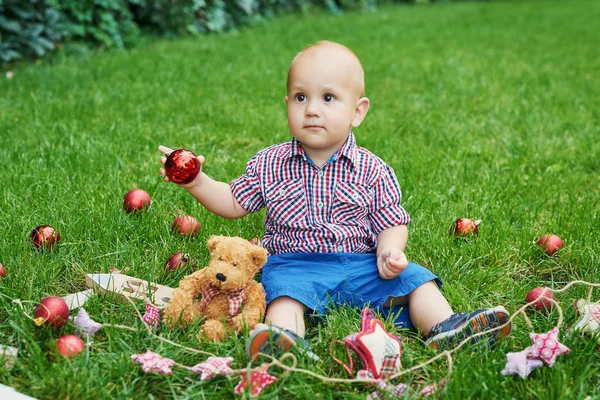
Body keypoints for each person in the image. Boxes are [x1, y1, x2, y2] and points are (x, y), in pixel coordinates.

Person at [158, 41, 511, 360]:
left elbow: (391, 220)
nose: (311, 109)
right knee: (282, 297)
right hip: (295, 264)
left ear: (358, 111)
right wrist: (197, 180)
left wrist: (390, 250)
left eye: (328, 98)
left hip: (360, 264)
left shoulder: (373, 169)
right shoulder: (270, 163)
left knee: (418, 281)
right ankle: (282, 341)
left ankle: (446, 328)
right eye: (300, 97)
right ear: (287, 105)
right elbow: (233, 202)